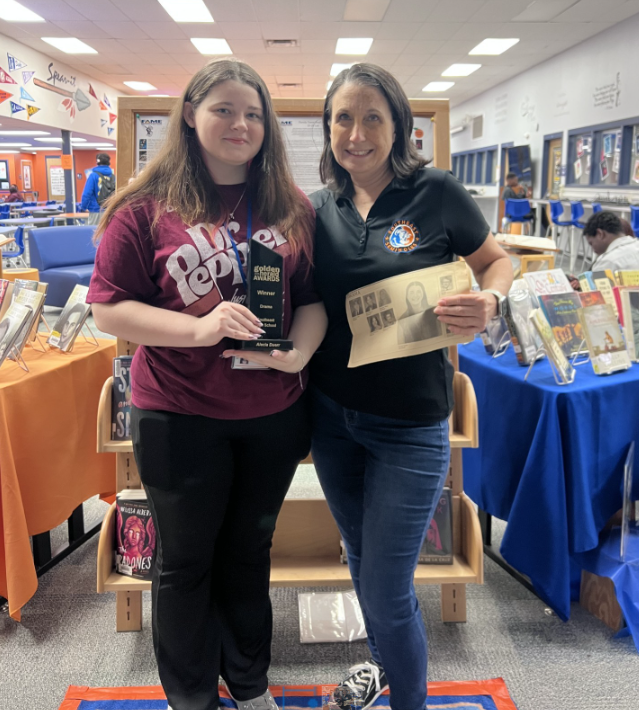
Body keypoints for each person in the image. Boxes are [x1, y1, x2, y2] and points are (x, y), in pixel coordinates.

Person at [87, 58, 327, 710]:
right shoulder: (143, 207)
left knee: (249, 554)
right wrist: (202, 328)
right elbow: (107, 308)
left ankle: (248, 684)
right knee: (186, 561)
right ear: (190, 116)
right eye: (223, 109)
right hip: (179, 414)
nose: (240, 123)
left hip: (271, 414)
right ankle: (191, 695)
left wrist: (297, 352)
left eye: (252, 113)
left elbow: (310, 299)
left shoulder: (290, 204)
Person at [308, 63, 513, 710]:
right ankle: (380, 666)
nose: (356, 133)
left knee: (387, 585)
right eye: (343, 117)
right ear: (327, 127)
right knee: (361, 562)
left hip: (410, 424)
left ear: (397, 125)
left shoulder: (436, 192)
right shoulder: (316, 206)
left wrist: (490, 301)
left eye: (372, 117)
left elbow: (497, 261)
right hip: (333, 418)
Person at [81, 153, 115, 225]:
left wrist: (83, 207)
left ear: (97, 162)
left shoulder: (93, 176)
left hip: (95, 209)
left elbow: (87, 193)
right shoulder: (113, 176)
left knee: (93, 232)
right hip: (110, 210)